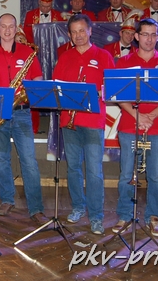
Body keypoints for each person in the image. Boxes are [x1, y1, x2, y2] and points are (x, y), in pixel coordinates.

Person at [0, 13, 47, 225]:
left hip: (22, 112)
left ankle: (36, 208)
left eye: (11, 26)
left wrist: (28, 92)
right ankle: (7, 199)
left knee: (29, 161)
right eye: (3, 26)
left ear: (16, 29)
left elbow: (38, 79)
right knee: (1, 159)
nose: (7, 30)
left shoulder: (28, 53)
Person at [113, 18, 158, 238]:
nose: (149, 39)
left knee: (155, 176)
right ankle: (124, 215)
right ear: (136, 37)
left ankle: (153, 217)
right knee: (126, 174)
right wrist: (138, 115)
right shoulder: (123, 62)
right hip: (129, 125)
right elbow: (118, 96)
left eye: (153, 35)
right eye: (145, 34)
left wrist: (150, 116)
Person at [52, 14, 115, 235]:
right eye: (74, 32)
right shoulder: (64, 57)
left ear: (90, 31)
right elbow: (55, 89)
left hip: (93, 121)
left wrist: (99, 92)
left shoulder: (104, 56)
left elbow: (112, 90)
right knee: (73, 168)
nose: (78, 35)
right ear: (69, 35)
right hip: (69, 121)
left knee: (94, 171)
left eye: (82, 30)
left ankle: (96, 216)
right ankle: (78, 207)